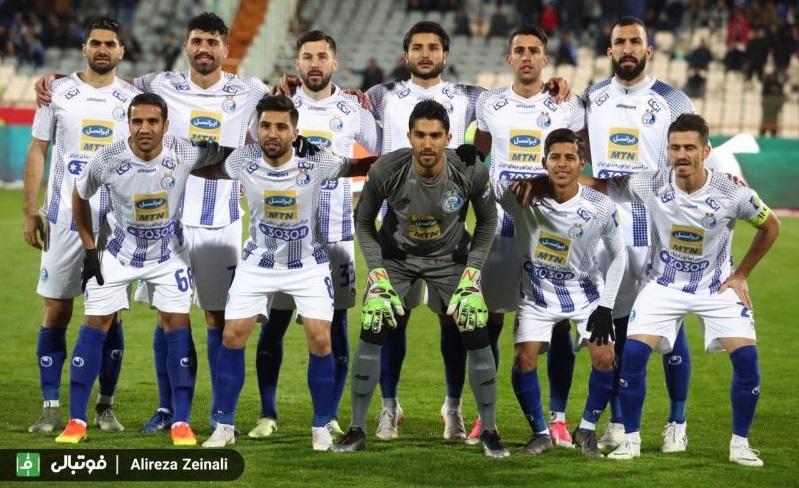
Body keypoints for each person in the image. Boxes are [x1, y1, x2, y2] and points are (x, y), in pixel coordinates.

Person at [583, 113, 780, 466]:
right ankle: (631, 440)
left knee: (747, 361)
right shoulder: (651, 183)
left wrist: (741, 275)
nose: (682, 155)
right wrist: (547, 183)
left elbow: (771, 226)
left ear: (706, 151)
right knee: (633, 356)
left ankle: (740, 445)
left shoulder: (732, 192)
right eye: (675, 148)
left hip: (716, 287)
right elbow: (602, 186)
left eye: (690, 147)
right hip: (662, 284)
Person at [195, 94, 374, 451]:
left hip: (307, 263)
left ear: (295, 132)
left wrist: (409, 157)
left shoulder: (317, 162)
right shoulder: (243, 160)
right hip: (258, 261)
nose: (272, 133)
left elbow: (358, 166)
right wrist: (180, 156)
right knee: (232, 335)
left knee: (320, 338)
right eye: (265, 126)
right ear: (257, 129)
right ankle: (225, 425)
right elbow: (208, 166)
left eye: (280, 127)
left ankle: (321, 427)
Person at [330, 99, 506, 458]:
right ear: (409, 136)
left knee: (475, 325)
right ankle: (357, 428)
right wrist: (377, 273)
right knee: (374, 321)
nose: (428, 143)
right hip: (396, 259)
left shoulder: (469, 169)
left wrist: (472, 273)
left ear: (448, 138)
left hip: (451, 259)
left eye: (435, 136)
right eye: (420, 135)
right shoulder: (386, 169)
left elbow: (488, 220)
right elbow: (364, 221)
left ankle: (489, 429)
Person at [57, 92, 232, 445]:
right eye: (137, 121)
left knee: (177, 325)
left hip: (169, 256)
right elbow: (80, 195)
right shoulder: (107, 158)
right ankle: (76, 421)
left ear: (166, 125)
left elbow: (230, 156)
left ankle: (181, 422)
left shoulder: (185, 151)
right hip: (118, 254)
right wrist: (90, 250)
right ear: (128, 124)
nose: (144, 128)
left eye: (153, 121)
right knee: (94, 324)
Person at [128, 12, 269, 433]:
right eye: (197, 41)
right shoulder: (159, 84)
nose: (204, 49)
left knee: (219, 319)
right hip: (166, 222)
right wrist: (56, 79)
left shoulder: (250, 90)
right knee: (168, 315)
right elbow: (109, 84)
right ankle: (168, 410)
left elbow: (287, 115)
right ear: (186, 45)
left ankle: (220, 415)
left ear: (226, 48)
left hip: (219, 223)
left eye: (212, 42)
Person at [249, 30, 379, 440]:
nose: (315, 64)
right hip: (285, 237)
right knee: (274, 325)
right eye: (307, 56)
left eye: (322, 56)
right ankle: (267, 413)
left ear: (335, 63)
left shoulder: (353, 109)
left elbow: (380, 156)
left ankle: (330, 413)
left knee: (335, 326)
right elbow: (255, 152)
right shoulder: (282, 105)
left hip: (336, 234)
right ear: (297, 63)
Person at [581, 16, 697, 452]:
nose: (627, 48)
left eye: (635, 42)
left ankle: (677, 423)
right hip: (606, 221)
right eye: (620, 42)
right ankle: (619, 422)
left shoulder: (673, 100)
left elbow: (692, 156)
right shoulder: (592, 96)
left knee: (668, 324)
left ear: (648, 51)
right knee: (615, 322)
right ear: (609, 50)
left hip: (657, 221)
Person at [22, 16, 139, 436]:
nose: (102, 49)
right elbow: (39, 149)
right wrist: (30, 210)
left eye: (110, 43)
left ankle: (105, 406)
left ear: (121, 51)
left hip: (115, 226)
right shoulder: (56, 93)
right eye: (95, 42)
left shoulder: (134, 98)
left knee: (111, 315)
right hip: (63, 221)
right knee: (56, 310)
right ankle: (50, 407)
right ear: (84, 48)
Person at [473, 25, 585, 447]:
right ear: (509, 59)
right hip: (502, 228)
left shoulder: (567, 106)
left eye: (534, 50)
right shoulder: (490, 103)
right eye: (518, 50)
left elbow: (580, 159)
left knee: (558, 324)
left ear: (545, 59)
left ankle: (558, 418)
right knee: (492, 320)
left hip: (551, 230)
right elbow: (479, 155)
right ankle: (487, 417)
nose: (526, 56)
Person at [496, 128, 624, 457]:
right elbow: (492, 186)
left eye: (570, 158)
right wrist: (535, 182)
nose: (562, 164)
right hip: (536, 295)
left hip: (586, 295)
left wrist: (606, 306)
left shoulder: (600, 206)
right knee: (523, 358)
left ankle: (587, 429)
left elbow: (619, 256)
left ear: (582, 163)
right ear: (544, 162)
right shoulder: (523, 197)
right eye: (555, 158)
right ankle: (540, 434)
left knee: (605, 357)